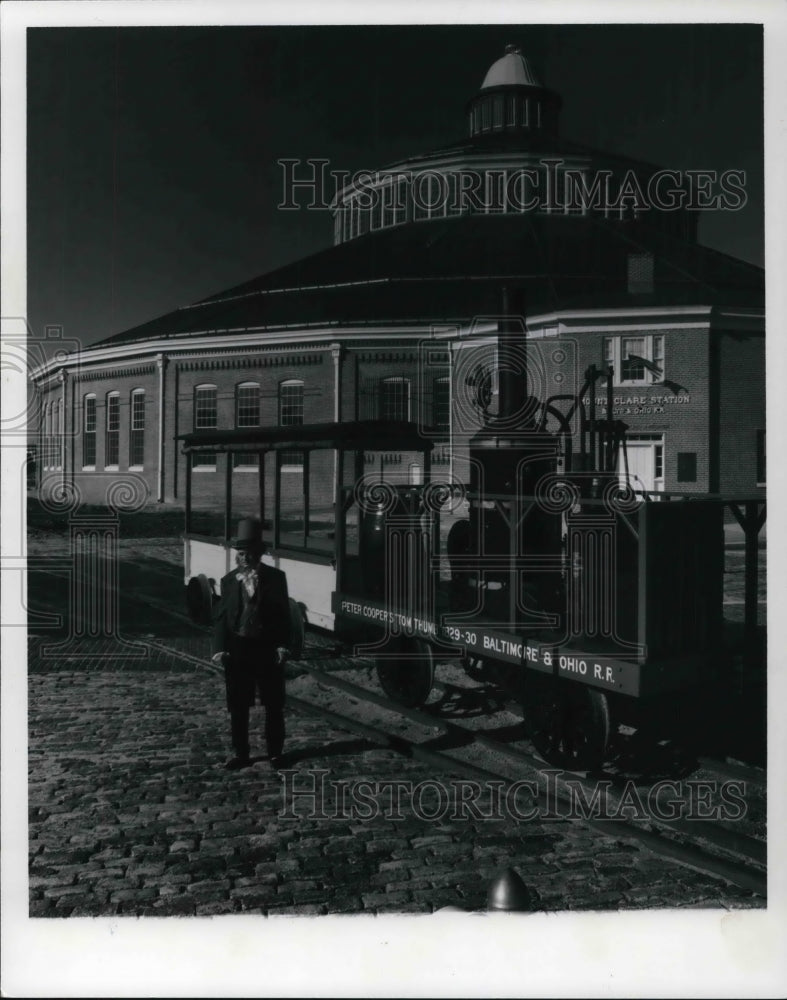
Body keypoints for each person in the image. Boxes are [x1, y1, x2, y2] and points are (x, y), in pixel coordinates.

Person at [211, 517, 292, 770]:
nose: (244, 558)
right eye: (241, 554)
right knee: (238, 704)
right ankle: (241, 753)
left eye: (249, 554)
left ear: (259, 554)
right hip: (238, 648)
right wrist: (219, 648)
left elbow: (283, 615)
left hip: (267, 647)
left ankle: (275, 752)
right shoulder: (228, 581)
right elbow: (222, 618)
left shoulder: (277, 578)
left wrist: (282, 645)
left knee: (273, 703)